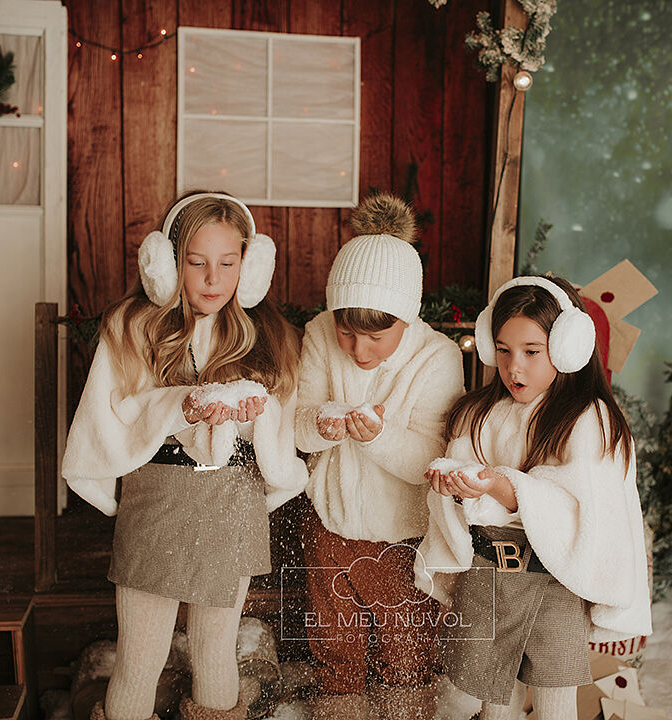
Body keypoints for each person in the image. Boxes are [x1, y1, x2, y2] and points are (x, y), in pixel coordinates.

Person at [62, 192, 308, 720]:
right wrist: (182, 406)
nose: (213, 279)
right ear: (167, 263)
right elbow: (113, 413)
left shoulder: (271, 337)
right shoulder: (133, 327)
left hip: (232, 504)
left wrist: (252, 417)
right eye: (197, 263)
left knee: (215, 652)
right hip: (157, 499)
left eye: (228, 263)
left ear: (251, 266)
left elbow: (283, 427)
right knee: (140, 656)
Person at [416, 276, 651, 720]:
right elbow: (465, 489)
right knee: (493, 705)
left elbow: (585, 510)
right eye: (503, 350)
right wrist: (455, 493)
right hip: (488, 582)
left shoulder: (590, 421)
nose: (513, 368)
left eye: (531, 352)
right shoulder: (479, 413)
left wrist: (501, 486)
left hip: (552, 584)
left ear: (566, 348)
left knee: (554, 702)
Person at [294, 194, 465, 720]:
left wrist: (376, 437)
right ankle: (338, 710)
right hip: (329, 525)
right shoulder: (319, 334)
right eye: (347, 331)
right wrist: (321, 424)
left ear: (407, 319)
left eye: (375, 336)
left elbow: (433, 462)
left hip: (404, 539)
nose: (359, 350)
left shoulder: (437, 358)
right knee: (334, 650)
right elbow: (297, 425)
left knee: (405, 656)